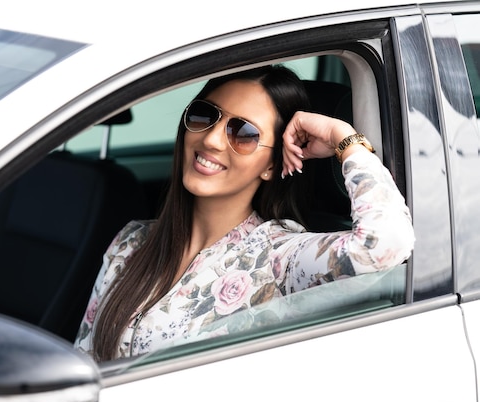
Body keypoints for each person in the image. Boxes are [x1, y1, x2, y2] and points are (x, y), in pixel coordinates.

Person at [74, 65, 415, 362]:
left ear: (271, 165)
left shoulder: (276, 258)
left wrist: (344, 139)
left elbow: (387, 243)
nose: (212, 140)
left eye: (244, 133)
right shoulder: (132, 242)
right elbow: (83, 359)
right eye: (205, 116)